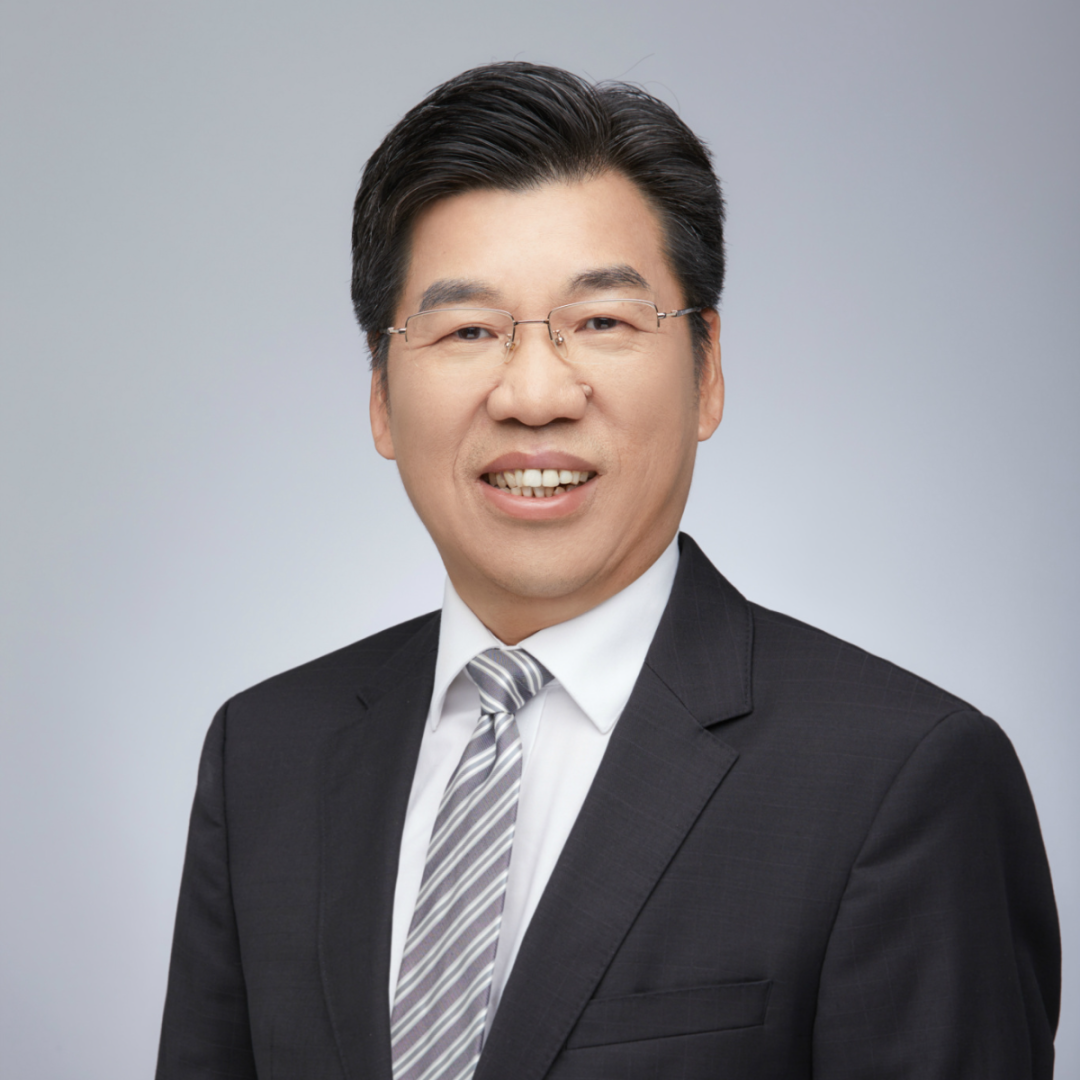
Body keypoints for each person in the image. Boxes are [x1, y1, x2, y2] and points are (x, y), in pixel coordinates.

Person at [156, 62, 1060, 1079]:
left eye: (602, 323)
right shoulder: (266, 755)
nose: (534, 394)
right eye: (468, 331)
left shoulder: (903, 779)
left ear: (707, 370)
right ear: (380, 394)